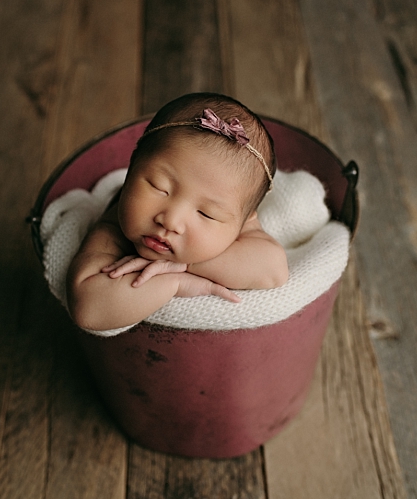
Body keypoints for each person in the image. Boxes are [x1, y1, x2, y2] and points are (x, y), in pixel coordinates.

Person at [67, 92, 289, 332]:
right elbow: (88, 309)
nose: (171, 221)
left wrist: (185, 265)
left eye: (206, 214)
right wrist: (175, 283)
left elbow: (274, 270)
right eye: (159, 188)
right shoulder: (116, 225)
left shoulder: (237, 212)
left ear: (248, 218)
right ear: (131, 168)